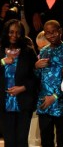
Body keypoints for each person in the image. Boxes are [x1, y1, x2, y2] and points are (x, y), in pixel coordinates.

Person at [35, 20, 63, 147]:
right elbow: (38, 78)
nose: (51, 36)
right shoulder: (43, 51)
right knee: (46, 138)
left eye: (54, 32)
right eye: (48, 33)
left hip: (60, 102)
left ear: (60, 31)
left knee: (62, 138)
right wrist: (36, 67)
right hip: (44, 101)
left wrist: (56, 96)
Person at [0, 19, 38, 147]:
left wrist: (23, 88)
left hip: (23, 101)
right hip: (4, 102)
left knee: (22, 140)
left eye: (18, 33)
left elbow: (35, 76)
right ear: (6, 33)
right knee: (9, 141)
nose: (14, 36)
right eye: (11, 32)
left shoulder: (28, 52)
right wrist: (3, 62)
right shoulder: (0, 50)